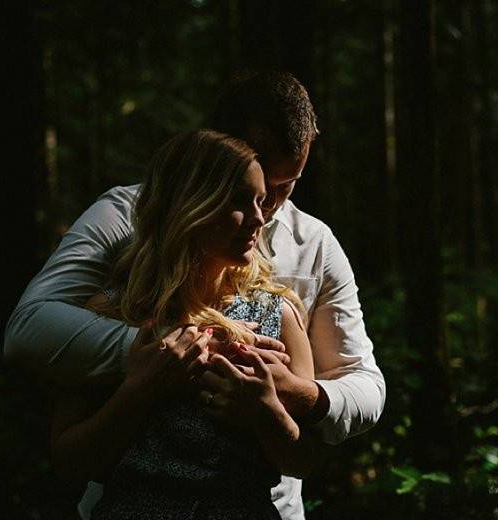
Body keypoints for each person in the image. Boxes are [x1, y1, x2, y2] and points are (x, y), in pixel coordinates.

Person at [4, 70, 385, 520]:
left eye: (287, 184)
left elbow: (362, 387)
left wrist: (289, 393)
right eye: (253, 184)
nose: (269, 209)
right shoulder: (123, 232)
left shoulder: (304, 262)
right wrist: (166, 353)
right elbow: (30, 331)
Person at [52, 129, 315, 519]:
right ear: (192, 204)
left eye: (261, 202)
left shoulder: (277, 315)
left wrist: (265, 411)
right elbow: (67, 460)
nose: (260, 217)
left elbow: (306, 460)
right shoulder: (115, 312)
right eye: (240, 201)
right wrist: (140, 389)